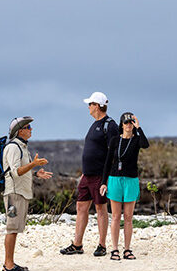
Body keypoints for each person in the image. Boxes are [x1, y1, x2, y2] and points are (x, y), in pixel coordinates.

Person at [61, 92, 118, 257]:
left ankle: (102, 244)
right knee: (81, 207)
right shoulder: (95, 124)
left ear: (98, 106)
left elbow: (112, 153)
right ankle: (77, 244)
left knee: (100, 208)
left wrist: (106, 179)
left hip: (100, 175)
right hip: (87, 175)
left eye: (91, 104)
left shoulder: (110, 125)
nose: (88, 107)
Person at [2, 116, 53, 271]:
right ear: (20, 130)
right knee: (12, 228)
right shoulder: (13, 148)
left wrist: (36, 173)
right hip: (14, 193)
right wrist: (33, 164)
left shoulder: (22, 147)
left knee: (15, 228)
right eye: (28, 127)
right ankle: (8, 265)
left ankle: (9, 263)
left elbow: (22, 171)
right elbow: (15, 172)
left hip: (21, 193)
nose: (31, 130)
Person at [101, 112, 149, 261]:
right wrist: (104, 182)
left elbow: (145, 145)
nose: (129, 125)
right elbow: (108, 162)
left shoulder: (136, 140)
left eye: (131, 122)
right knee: (115, 216)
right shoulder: (115, 140)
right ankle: (114, 249)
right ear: (121, 125)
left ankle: (127, 249)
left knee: (128, 217)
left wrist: (139, 128)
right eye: (126, 122)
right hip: (115, 179)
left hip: (131, 180)